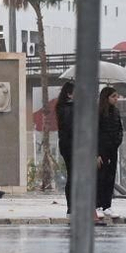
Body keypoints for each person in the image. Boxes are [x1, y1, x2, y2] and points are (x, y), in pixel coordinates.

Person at [96, 85, 124, 222]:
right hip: (101, 151)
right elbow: (95, 133)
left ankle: (107, 205)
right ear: (106, 98)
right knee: (100, 178)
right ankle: (97, 206)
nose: (116, 99)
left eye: (117, 96)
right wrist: (96, 154)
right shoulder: (98, 112)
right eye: (113, 96)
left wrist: (117, 142)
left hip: (113, 150)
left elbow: (120, 129)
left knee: (110, 178)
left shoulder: (116, 112)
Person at [55, 80, 75, 210]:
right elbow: (71, 127)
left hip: (69, 145)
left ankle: (72, 207)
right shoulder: (67, 109)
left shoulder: (67, 107)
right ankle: (71, 207)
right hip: (71, 146)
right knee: (73, 176)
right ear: (69, 94)